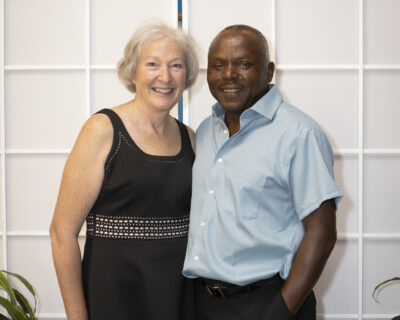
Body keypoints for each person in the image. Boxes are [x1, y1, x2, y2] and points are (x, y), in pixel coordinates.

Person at [183, 25, 343, 320]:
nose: (229, 74)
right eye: (218, 65)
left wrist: (280, 311)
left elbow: (322, 232)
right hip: (202, 303)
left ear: (268, 72)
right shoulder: (206, 131)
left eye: (244, 64)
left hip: (267, 304)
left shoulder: (299, 134)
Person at [50, 21, 199, 320]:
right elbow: (61, 233)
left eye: (176, 65)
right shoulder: (103, 130)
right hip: (114, 294)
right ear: (133, 71)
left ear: (187, 75)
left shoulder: (191, 138)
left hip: (177, 295)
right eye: (153, 64)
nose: (165, 77)